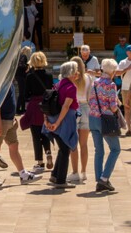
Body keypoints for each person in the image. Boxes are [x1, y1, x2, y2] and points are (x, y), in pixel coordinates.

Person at [0, 85, 42, 186]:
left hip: (9, 120)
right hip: (1, 121)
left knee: (14, 146)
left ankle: (23, 175)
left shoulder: (9, 82)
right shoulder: (1, 82)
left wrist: (13, 117)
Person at [43, 60, 79, 189]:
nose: (77, 73)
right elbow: (66, 106)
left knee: (62, 148)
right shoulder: (71, 87)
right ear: (71, 73)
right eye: (76, 70)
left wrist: (46, 121)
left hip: (53, 119)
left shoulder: (57, 85)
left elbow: (47, 102)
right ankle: (60, 181)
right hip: (65, 120)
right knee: (65, 149)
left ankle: (55, 175)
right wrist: (58, 123)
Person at [88, 58, 121, 193]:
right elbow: (113, 106)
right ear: (112, 71)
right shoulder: (111, 85)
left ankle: (99, 180)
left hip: (92, 118)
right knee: (115, 149)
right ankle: (104, 178)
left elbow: (90, 100)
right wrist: (117, 107)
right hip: (105, 120)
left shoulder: (95, 82)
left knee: (99, 150)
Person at [22, 51, 54, 172]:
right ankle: (48, 152)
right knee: (45, 132)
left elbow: (26, 94)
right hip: (46, 106)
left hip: (35, 106)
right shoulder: (49, 75)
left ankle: (40, 162)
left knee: (36, 135)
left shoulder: (30, 76)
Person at [68, 56, 92, 184]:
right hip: (86, 108)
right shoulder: (88, 78)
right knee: (84, 144)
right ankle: (84, 171)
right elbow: (89, 96)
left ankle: (75, 172)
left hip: (74, 108)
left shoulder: (70, 78)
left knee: (73, 143)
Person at [116, 44, 131, 136]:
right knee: (127, 108)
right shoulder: (123, 62)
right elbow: (117, 73)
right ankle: (129, 129)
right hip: (125, 88)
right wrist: (127, 68)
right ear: (127, 52)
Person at [15, 45, 32, 114]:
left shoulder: (20, 56)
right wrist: (28, 66)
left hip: (19, 76)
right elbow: (21, 65)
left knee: (22, 93)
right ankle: (18, 109)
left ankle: (22, 108)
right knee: (22, 93)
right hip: (21, 76)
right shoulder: (23, 56)